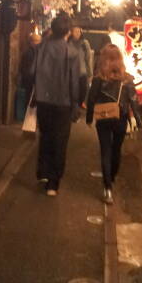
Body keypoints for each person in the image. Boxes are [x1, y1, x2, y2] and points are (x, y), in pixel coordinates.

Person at [86, 44, 142, 205]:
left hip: (103, 118)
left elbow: (91, 99)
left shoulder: (98, 79)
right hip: (120, 118)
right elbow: (134, 101)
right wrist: (138, 122)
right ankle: (112, 176)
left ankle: (107, 188)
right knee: (116, 149)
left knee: (105, 150)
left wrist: (89, 118)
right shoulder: (127, 79)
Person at [33, 13, 82, 196]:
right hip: (63, 102)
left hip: (43, 100)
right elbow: (74, 82)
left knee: (45, 136)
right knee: (59, 140)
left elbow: (32, 72)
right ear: (67, 32)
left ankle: (42, 173)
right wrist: (75, 102)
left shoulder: (42, 48)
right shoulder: (71, 52)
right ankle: (53, 183)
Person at [69, 26, 93, 104]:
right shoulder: (68, 42)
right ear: (71, 32)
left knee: (83, 90)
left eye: (79, 32)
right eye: (75, 31)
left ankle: (79, 104)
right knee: (72, 92)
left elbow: (88, 58)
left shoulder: (84, 43)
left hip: (82, 72)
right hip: (71, 73)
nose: (77, 33)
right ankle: (75, 108)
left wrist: (90, 73)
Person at [19, 32, 41, 108]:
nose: (39, 43)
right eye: (37, 41)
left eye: (39, 41)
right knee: (28, 100)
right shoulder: (29, 52)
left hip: (30, 80)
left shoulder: (34, 51)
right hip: (29, 81)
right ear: (31, 41)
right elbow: (28, 69)